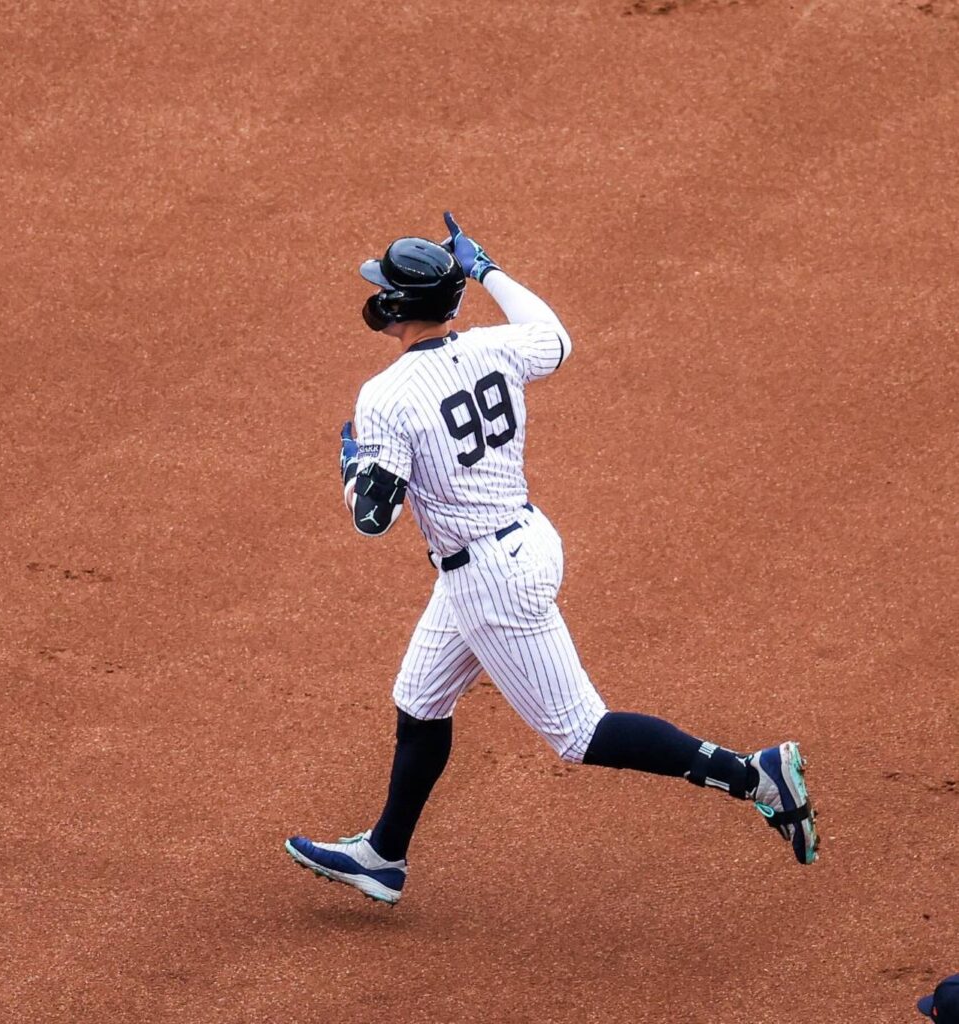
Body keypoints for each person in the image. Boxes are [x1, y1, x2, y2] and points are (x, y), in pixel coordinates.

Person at [285, 213, 820, 905]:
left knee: (579, 732)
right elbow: (556, 339)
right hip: (524, 539)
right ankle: (384, 855)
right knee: (419, 701)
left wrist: (352, 464)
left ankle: (754, 775)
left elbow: (372, 519)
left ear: (398, 305)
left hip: (488, 579)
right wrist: (487, 269)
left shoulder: (385, 396)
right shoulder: (494, 348)